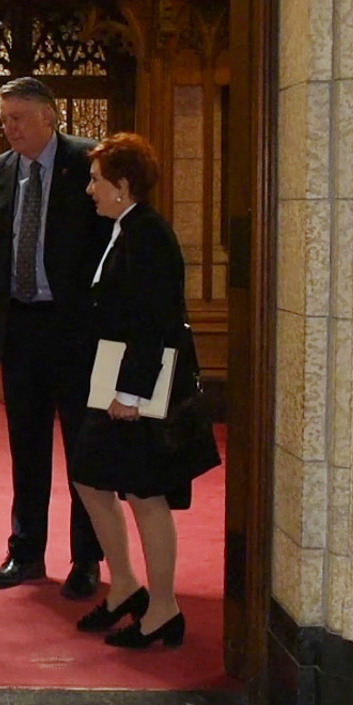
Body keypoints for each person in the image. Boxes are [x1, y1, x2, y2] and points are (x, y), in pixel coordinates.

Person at [68, 133, 219, 648]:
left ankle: (163, 607)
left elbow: (156, 321)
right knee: (92, 479)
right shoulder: (122, 228)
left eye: (96, 180)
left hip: (140, 387)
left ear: (122, 185)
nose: (89, 189)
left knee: (145, 494)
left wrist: (130, 394)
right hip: (118, 379)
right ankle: (128, 585)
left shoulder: (148, 233)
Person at [0, 77, 111, 599]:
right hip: (22, 324)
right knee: (25, 445)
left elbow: (106, 247)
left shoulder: (88, 162)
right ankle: (25, 552)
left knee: (83, 446)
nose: (11, 129)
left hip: (75, 328)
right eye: (6, 120)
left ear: (49, 116)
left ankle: (87, 558)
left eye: (20, 118)